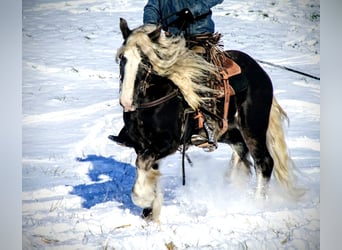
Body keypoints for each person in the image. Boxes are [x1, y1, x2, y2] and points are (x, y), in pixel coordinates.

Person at [109, 0, 225, 150]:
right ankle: (135, 126)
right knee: (148, 74)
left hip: (198, 37)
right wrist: (150, 26)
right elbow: (152, 6)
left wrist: (193, 10)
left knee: (199, 73)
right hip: (172, 41)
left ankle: (207, 126)